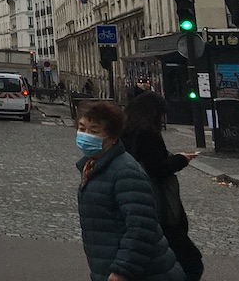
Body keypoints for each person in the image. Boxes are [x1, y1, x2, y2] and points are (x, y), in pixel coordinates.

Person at [75, 100, 185, 281]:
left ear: (112, 137)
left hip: (142, 273)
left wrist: (122, 269)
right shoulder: (92, 167)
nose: (85, 135)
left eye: (94, 131)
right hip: (111, 265)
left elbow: (142, 226)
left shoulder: (125, 171)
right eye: (82, 128)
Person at [121, 91, 204, 281]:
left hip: (141, 200)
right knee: (191, 263)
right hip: (158, 203)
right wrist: (181, 159)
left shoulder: (125, 130)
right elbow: (157, 167)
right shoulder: (148, 134)